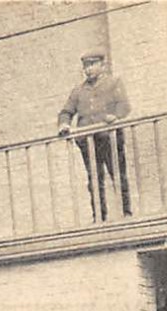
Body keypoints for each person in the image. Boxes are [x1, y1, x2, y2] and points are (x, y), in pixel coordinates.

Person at [58, 49, 132, 220]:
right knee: (94, 180)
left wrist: (116, 116)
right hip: (88, 142)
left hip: (110, 137)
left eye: (92, 65)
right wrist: (64, 124)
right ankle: (99, 216)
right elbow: (66, 111)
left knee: (118, 175)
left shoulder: (114, 83)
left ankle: (126, 212)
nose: (88, 69)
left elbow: (124, 105)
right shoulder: (78, 91)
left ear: (102, 65)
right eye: (85, 66)